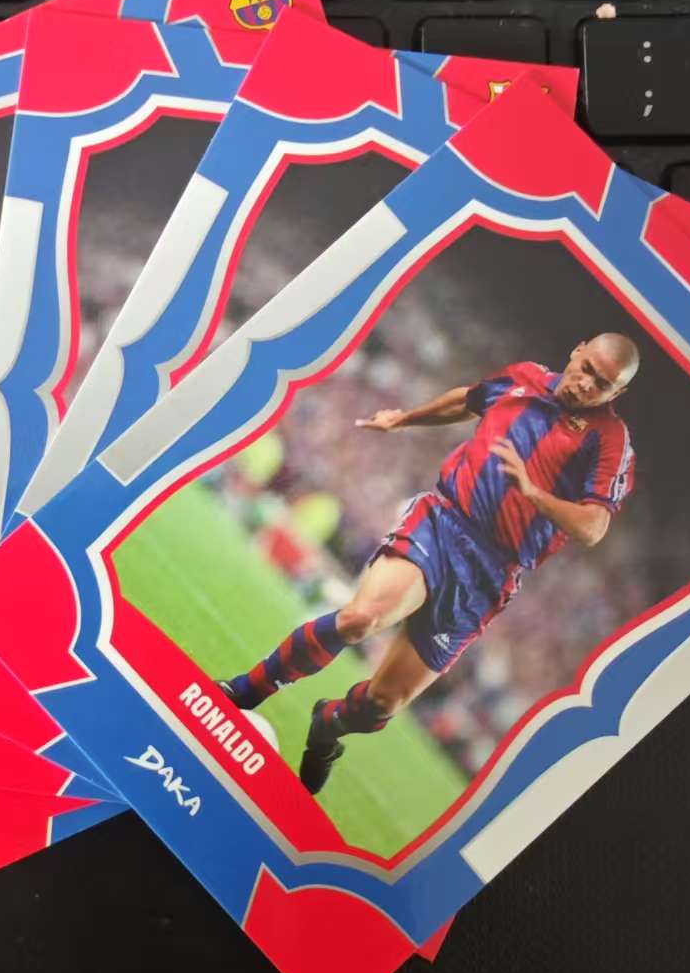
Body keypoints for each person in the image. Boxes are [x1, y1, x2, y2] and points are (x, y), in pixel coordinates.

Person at [219, 334, 640, 794]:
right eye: (587, 369)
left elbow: (593, 527)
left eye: (602, 384)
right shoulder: (524, 378)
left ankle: (329, 725)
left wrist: (533, 492)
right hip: (443, 522)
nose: (587, 384)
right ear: (577, 350)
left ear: (617, 393)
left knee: (381, 704)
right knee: (361, 619)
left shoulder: (610, 442)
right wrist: (404, 419)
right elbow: (467, 400)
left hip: (490, 575)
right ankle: (247, 690)